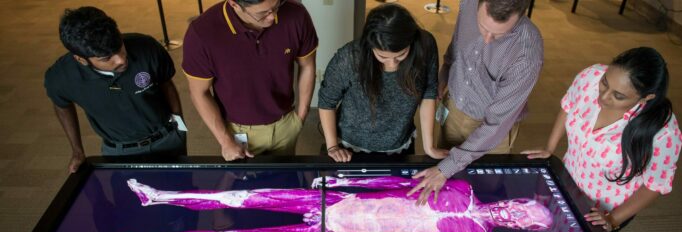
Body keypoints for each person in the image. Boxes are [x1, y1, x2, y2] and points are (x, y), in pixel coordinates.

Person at [87, 176, 552, 232]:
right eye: (521, 206)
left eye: (520, 218)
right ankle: (158, 195)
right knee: (245, 199)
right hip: (334, 205)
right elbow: (402, 186)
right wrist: (345, 186)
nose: (512, 212)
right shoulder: (462, 188)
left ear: (520, 227)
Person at [521, 47, 682, 232]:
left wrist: (613, 219)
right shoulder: (590, 77)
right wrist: (550, 147)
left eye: (618, 96)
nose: (603, 97)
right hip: (568, 182)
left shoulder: (663, 133)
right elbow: (569, 105)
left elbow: (654, 185)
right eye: (605, 83)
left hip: (605, 209)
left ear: (646, 97)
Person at [408, 0, 543, 205]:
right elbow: (457, 43)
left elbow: (496, 124)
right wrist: (445, 73)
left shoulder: (527, 53)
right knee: (446, 185)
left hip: (490, 129)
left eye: (498, 35)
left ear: (521, 15)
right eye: (482, 26)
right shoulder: (469, 3)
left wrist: (446, 168)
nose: (487, 39)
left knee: (481, 191)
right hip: (454, 105)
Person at [45, 6, 186, 173]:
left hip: (168, 139)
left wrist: (180, 126)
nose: (121, 59)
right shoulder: (61, 76)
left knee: (181, 192)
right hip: (119, 151)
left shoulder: (148, 47)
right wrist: (77, 150)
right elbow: (61, 104)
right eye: (106, 58)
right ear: (81, 59)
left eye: (119, 46)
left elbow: (166, 84)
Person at [183, 0, 318, 160]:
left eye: (276, 7)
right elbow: (199, 93)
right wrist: (225, 141)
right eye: (263, 13)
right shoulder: (202, 33)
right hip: (238, 131)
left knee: (285, 181)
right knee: (244, 182)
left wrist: (301, 116)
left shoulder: (296, 14)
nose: (273, 17)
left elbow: (308, 66)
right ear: (234, 4)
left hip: (286, 124)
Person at [318, 4, 448, 162]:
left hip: (400, 144)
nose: (392, 64)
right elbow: (327, 101)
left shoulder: (425, 45)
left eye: (400, 56)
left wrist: (429, 147)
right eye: (382, 57)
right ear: (370, 45)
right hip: (350, 147)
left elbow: (428, 92)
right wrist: (332, 147)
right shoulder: (350, 58)